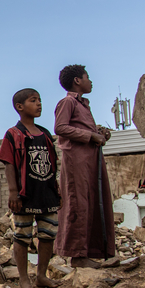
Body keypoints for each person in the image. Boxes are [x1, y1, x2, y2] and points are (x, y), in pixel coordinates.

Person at [0, 88, 62, 288]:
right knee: (22, 236)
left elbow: (52, 163)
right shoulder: (13, 134)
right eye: (33, 101)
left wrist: (56, 186)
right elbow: (9, 164)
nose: (39, 104)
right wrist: (13, 192)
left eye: (40, 100)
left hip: (47, 191)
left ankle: (42, 275)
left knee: (47, 234)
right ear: (20, 107)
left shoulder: (45, 134)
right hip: (26, 194)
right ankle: (24, 280)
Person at [53, 65, 115, 267]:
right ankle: (78, 255)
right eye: (87, 77)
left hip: (90, 159)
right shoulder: (68, 102)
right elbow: (60, 128)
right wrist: (90, 136)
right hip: (77, 161)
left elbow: (81, 129)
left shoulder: (83, 105)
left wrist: (99, 133)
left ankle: (93, 251)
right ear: (77, 80)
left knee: (94, 201)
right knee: (78, 203)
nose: (91, 81)